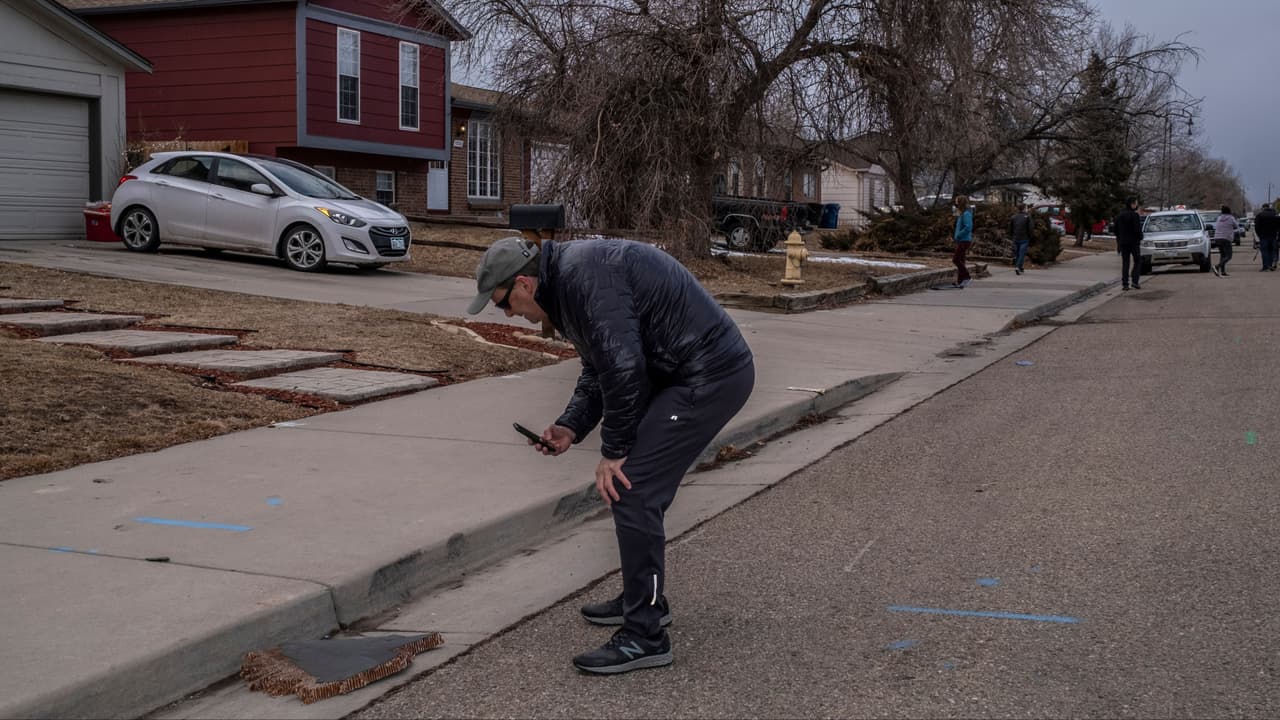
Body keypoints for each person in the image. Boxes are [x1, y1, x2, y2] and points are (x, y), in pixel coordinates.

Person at [466, 236, 755, 675]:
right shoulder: (567, 284)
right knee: (634, 490)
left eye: (504, 303)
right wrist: (571, 425)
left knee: (631, 489)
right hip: (679, 373)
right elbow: (600, 364)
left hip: (709, 375)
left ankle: (645, 636)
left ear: (524, 283)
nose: (508, 314)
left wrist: (615, 452)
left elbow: (624, 368)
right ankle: (644, 601)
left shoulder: (583, 278)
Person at [1112, 196, 1144, 290]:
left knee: (1125, 263)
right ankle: (1135, 281)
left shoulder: (1119, 215)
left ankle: (1125, 283)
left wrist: (1120, 239)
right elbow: (1137, 229)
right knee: (1137, 261)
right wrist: (1140, 237)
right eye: (1135, 203)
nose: (1136, 205)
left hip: (1123, 242)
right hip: (1134, 242)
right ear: (1132, 204)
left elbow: (1115, 230)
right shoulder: (1134, 215)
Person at [952, 195, 974, 287]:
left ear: (960, 202)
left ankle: (967, 277)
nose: (955, 203)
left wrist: (958, 235)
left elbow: (968, 227)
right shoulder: (962, 213)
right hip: (961, 240)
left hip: (964, 240)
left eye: (957, 201)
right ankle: (960, 281)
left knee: (956, 259)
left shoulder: (966, 214)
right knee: (961, 260)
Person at [1213, 205, 1239, 276]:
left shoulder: (1219, 218)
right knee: (1229, 256)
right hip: (1226, 238)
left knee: (1223, 255)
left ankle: (1223, 272)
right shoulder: (1231, 218)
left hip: (1217, 238)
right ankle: (1217, 266)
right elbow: (1236, 226)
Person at [1255, 202, 1280, 271]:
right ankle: (1270, 265)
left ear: (1263, 208)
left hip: (1263, 236)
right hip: (1273, 236)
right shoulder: (1275, 215)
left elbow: (1256, 227)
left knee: (1264, 251)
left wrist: (1259, 235)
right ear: (1269, 207)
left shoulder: (1260, 215)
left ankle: (1265, 266)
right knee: (1271, 251)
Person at [1008, 203, 1032, 275]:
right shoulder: (1027, 217)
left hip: (1015, 237)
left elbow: (1010, 228)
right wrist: (1030, 236)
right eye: (1026, 207)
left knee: (1017, 253)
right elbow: (1030, 228)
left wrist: (1012, 236)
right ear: (1024, 208)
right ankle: (1017, 267)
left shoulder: (1013, 217)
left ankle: (1020, 267)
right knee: (1022, 254)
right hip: (1024, 238)